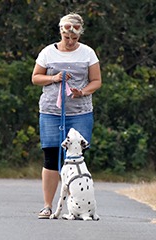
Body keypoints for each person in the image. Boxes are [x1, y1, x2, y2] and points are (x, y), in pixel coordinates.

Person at [31, 13, 102, 219]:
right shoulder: (47, 52)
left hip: (80, 112)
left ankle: (76, 205)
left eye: (74, 39)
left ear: (79, 35)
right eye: (66, 38)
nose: (70, 42)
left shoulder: (88, 53)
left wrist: (83, 91)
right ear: (61, 33)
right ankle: (47, 205)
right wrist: (54, 77)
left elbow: (96, 80)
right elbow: (35, 77)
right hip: (51, 111)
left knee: (77, 158)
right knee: (51, 156)